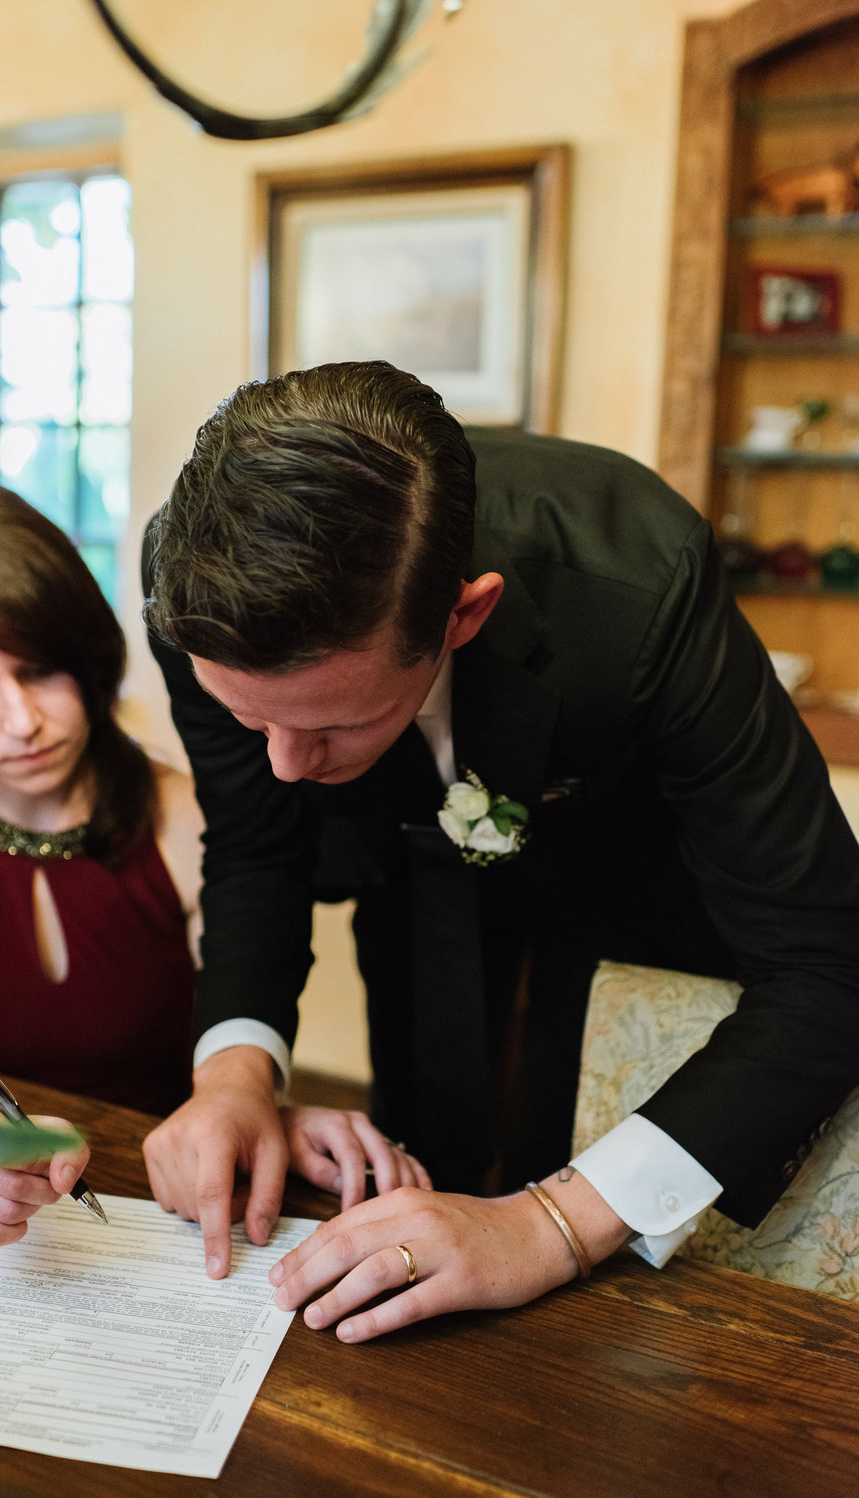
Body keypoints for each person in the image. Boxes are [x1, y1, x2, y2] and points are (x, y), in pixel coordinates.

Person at [143, 359, 859, 1342]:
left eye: (335, 724)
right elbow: (260, 845)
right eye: (248, 718)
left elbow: (826, 963)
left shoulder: (637, 582)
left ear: (463, 615)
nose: (284, 765)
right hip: (408, 868)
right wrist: (232, 1072)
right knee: (427, 1136)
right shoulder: (197, 592)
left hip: (631, 863)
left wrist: (548, 1224)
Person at [0, 480, 425, 1251]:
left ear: (89, 655)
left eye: (40, 671)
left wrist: (257, 1105)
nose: (22, 721)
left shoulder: (184, 813)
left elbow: (240, 998)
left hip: (157, 1215)